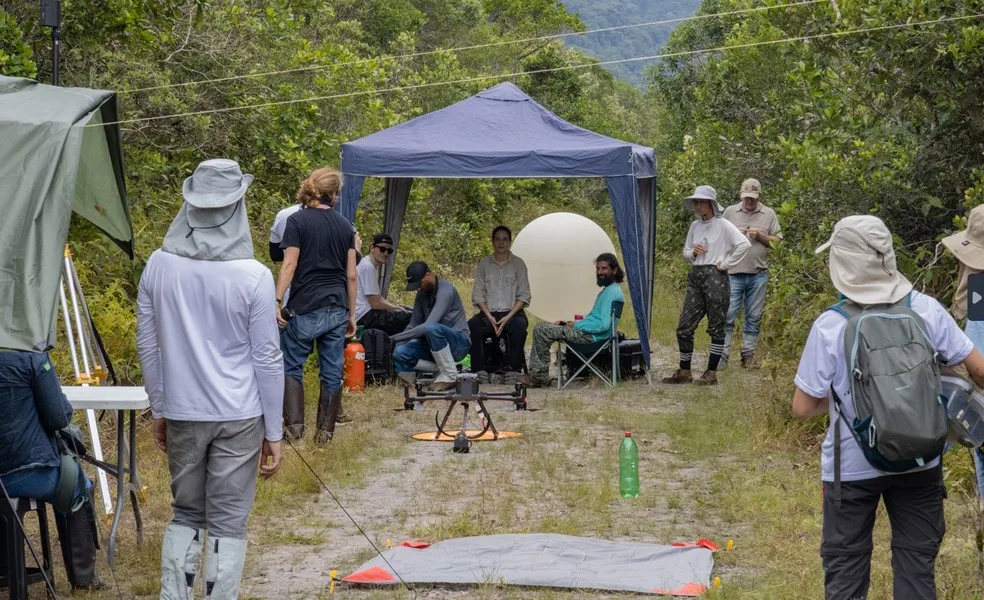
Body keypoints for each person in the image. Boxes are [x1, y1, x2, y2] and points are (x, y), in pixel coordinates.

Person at [792, 214, 984, 600]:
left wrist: (854, 389)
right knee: (916, 573)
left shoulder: (829, 325)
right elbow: (977, 368)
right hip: (922, 460)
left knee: (846, 575)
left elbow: (803, 406)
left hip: (850, 470)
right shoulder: (926, 309)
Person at [136, 158, 284, 599]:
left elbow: (149, 347)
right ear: (238, 204)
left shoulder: (158, 266)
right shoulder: (254, 275)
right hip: (240, 414)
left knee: (185, 513)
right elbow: (267, 359)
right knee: (228, 521)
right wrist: (273, 431)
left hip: (182, 409)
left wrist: (159, 407)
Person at [0, 352, 101, 589]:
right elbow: (58, 416)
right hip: (26, 471)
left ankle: (5, 568)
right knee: (76, 484)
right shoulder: (32, 357)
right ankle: (84, 579)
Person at [275, 167, 358, 444]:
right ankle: (324, 434)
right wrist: (352, 314)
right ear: (334, 195)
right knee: (332, 369)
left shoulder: (297, 222)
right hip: (336, 307)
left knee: (290, 364)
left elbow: (290, 263)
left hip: (305, 304)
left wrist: (277, 299)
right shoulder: (345, 226)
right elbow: (351, 274)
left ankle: (294, 427)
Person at [663, 185, 751, 386]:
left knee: (716, 325)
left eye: (701, 202)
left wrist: (726, 263)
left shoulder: (724, 225)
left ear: (711, 204)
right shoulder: (695, 226)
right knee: (684, 326)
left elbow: (744, 244)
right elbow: (686, 253)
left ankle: (711, 372)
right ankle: (685, 371)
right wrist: (693, 251)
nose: (698, 206)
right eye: (696, 202)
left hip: (715, 275)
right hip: (696, 275)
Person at [528, 253, 625, 387]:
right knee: (546, 327)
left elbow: (603, 325)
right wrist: (570, 324)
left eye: (604, 268)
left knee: (541, 330)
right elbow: (596, 320)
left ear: (614, 270)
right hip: (591, 335)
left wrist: (576, 326)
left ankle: (538, 378)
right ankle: (538, 375)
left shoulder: (611, 293)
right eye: (597, 269)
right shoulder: (609, 290)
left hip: (591, 339)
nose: (600, 272)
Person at [721, 178, 782, 369]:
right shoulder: (730, 212)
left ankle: (748, 356)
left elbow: (777, 243)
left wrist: (761, 236)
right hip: (732, 272)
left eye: (753, 198)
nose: (749, 201)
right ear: (741, 195)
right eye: (746, 198)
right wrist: (735, 235)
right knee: (728, 315)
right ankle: (722, 355)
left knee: (754, 316)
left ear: (759, 197)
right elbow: (718, 238)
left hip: (758, 273)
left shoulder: (769, 214)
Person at [391, 261, 471, 391]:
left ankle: (450, 375)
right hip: (433, 344)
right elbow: (413, 325)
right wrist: (398, 343)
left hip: (459, 344)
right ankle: (446, 368)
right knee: (399, 352)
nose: (418, 288)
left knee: (431, 328)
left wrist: (395, 338)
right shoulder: (421, 294)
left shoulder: (446, 291)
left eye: (419, 284)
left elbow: (429, 325)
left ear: (428, 274)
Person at [468, 225, 532, 381]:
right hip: (489, 313)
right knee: (472, 325)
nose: (501, 243)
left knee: (519, 326)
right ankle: (479, 371)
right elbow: (477, 294)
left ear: (509, 242)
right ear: (492, 242)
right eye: (497, 239)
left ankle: (513, 371)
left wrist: (508, 317)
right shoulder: (484, 264)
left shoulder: (518, 264)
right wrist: (489, 317)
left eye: (505, 239)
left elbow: (524, 296)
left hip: (512, 312)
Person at [355, 232, 412, 336]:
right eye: (382, 249)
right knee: (409, 316)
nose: (386, 253)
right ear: (372, 247)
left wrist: (397, 307)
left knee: (408, 310)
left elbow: (379, 298)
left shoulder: (368, 264)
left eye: (389, 251)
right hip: (363, 316)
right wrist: (396, 309)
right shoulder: (368, 267)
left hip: (366, 313)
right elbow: (375, 304)